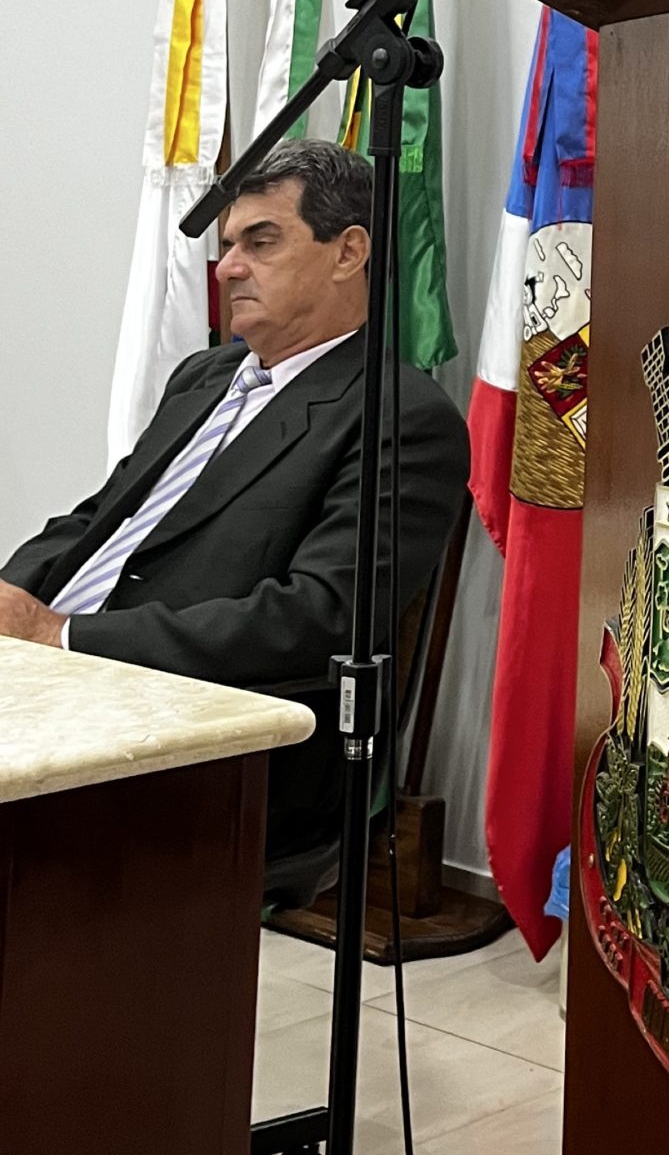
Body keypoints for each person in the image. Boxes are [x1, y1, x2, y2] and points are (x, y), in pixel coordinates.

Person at [0, 139, 468, 856]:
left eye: (262, 240)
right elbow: (99, 519)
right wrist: (13, 598)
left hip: (200, 728)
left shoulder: (399, 415)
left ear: (348, 252)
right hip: (65, 675)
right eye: (228, 245)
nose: (229, 268)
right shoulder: (205, 377)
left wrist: (63, 636)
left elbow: (319, 618)